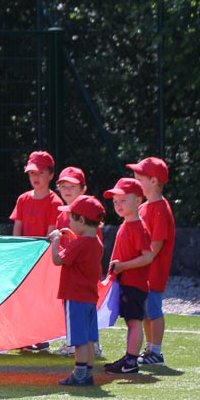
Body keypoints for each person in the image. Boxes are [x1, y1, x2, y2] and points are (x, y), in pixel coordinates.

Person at [47, 195, 106, 386]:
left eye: (71, 219)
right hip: (89, 298)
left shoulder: (80, 244)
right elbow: (80, 256)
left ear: (81, 220)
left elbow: (58, 259)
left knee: (79, 339)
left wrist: (56, 240)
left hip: (74, 298)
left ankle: (79, 374)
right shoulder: (96, 242)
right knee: (89, 339)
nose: (69, 222)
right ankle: (87, 373)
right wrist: (72, 238)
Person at [10, 150, 63, 352]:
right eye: (32, 173)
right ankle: (23, 338)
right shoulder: (23, 199)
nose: (35, 177)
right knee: (23, 297)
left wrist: (37, 255)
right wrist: (17, 251)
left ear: (51, 175)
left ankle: (41, 338)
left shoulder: (55, 202)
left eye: (40, 173)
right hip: (24, 258)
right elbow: (18, 227)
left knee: (40, 298)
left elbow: (50, 233)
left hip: (42, 259)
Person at [102, 178, 155, 375]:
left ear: (138, 200)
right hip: (126, 282)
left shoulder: (138, 227)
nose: (118, 205)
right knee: (130, 321)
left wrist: (123, 266)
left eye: (123, 200)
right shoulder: (126, 225)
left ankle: (131, 361)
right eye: (115, 201)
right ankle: (129, 358)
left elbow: (148, 256)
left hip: (134, 284)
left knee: (134, 321)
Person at [51, 166, 103, 358]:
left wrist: (57, 242)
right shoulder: (62, 216)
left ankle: (80, 351)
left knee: (79, 312)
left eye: (72, 186)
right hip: (74, 274)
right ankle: (85, 346)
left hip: (79, 278)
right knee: (81, 312)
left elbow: (80, 250)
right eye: (63, 186)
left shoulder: (89, 222)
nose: (66, 190)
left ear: (83, 189)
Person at [128, 157, 175, 367]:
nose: (135, 182)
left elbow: (155, 246)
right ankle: (149, 349)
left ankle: (156, 351)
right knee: (146, 313)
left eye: (139, 179)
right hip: (143, 271)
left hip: (153, 272)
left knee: (154, 312)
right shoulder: (145, 207)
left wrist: (138, 262)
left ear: (154, 181)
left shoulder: (160, 208)